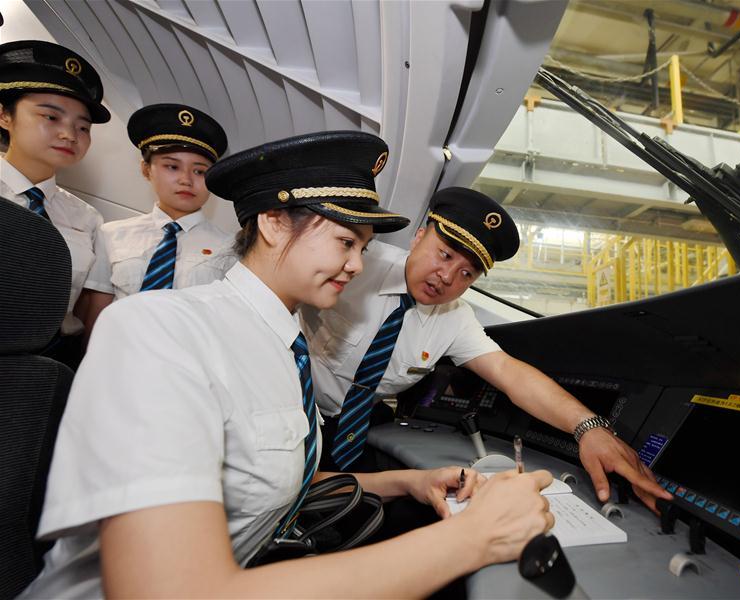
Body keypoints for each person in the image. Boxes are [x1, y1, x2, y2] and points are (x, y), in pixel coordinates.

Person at [21, 131, 554, 599]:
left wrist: (412, 481)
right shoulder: (158, 332)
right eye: (347, 241)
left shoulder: (286, 343)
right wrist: (472, 538)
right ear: (274, 224)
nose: (356, 265)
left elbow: (273, 480)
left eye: (364, 248)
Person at [301, 186, 673, 511]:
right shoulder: (354, 262)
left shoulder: (454, 317)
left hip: (358, 429)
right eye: (445, 254)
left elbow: (509, 373)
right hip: (300, 412)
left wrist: (588, 428)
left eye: (467, 273)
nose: (447, 277)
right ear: (418, 236)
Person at [80, 103, 235, 341]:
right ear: (146, 169)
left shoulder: (231, 249)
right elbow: (96, 316)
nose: (185, 180)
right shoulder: (111, 235)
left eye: (200, 171)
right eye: (172, 166)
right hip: (118, 356)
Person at [0, 40, 110, 368]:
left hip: (47, 368)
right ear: (4, 115)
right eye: (51, 116)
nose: (69, 135)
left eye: (82, 127)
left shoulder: (87, 219)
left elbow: (90, 311)